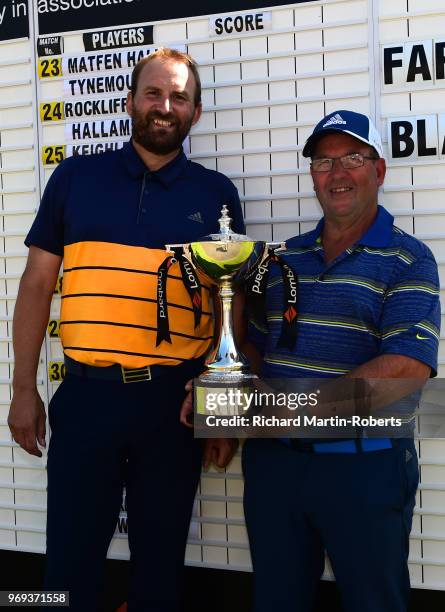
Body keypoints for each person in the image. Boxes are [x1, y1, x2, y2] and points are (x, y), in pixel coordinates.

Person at [8, 48, 242, 611]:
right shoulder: (75, 178)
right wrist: (21, 390)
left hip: (173, 407)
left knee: (159, 573)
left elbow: (230, 307)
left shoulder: (217, 197)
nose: (165, 106)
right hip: (87, 397)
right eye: (154, 94)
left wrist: (222, 409)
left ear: (196, 112)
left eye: (179, 97)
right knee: (67, 568)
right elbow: (37, 286)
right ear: (132, 101)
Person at [240, 111, 440, 611]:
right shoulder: (283, 260)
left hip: (364, 468)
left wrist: (295, 411)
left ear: (379, 170)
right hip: (274, 468)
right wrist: (219, 398)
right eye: (325, 161)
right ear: (313, 175)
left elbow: (406, 370)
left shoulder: (409, 258)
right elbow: (254, 353)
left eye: (353, 157)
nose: (338, 173)